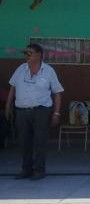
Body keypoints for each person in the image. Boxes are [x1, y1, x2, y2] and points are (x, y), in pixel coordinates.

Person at [5, 44, 64, 180]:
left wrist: (56, 113)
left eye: (30, 53)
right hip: (22, 111)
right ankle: (26, 169)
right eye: (26, 53)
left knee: (39, 141)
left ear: (39, 55)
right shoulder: (20, 69)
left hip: (41, 111)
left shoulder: (48, 71)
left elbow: (57, 93)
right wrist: (8, 105)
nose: (27, 55)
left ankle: (39, 170)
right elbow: (12, 87)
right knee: (24, 141)